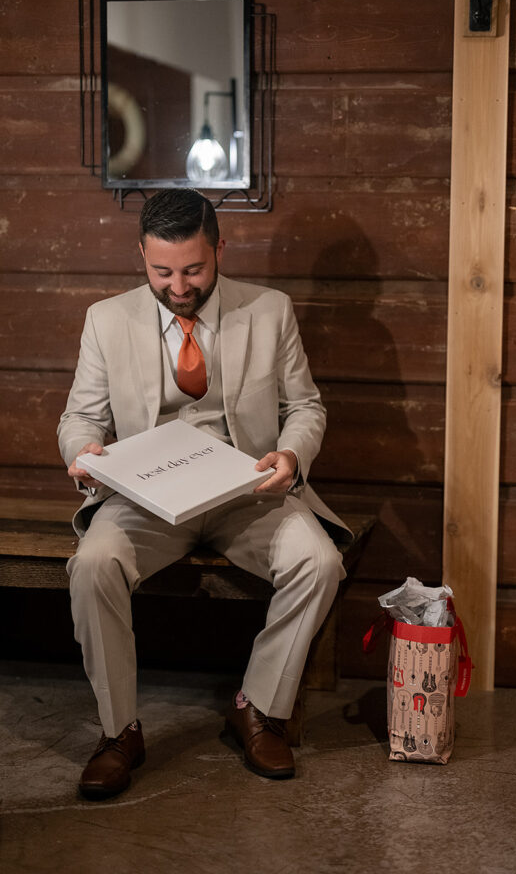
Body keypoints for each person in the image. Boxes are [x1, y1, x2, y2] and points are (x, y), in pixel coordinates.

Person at [58, 188, 351, 799]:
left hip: (250, 494)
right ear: (141, 254)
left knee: (321, 562)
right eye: (161, 271)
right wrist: (81, 454)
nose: (178, 285)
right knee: (91, 564)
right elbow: (80, 420)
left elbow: (304, 406)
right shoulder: (106, 319)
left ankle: (257, 707)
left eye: (192, 269)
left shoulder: (269, 310)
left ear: (220, 246)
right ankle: (120, 732)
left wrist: (291, 454)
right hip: (148, 502)